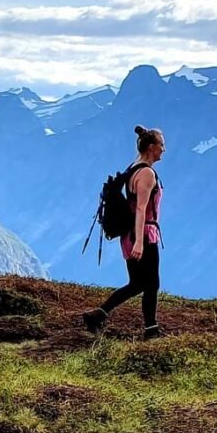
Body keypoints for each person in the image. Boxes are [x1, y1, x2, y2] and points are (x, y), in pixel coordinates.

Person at [83, 126, 165, 340]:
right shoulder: (146, 173)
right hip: (143, 234)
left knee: (137, 283)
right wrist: (139, 241)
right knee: (151, 283)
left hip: (129, 235)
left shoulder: (133, 168)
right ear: (151, 147)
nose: (163, 150)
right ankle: (151, 330)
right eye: (161, 145)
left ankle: (97, 315)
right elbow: (140, 208)